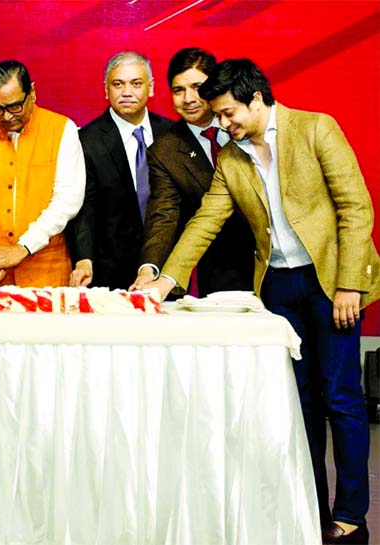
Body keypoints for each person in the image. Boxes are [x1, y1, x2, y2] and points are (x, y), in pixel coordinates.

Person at [145, 59, 377, 545]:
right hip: (276, 288)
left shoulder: (316, 130)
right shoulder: (232, 158)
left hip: (331, 282)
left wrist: (350, 284)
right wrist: (164, 282)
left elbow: (356, 208)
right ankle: (310, 509)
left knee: (341, 397)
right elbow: (204, 222)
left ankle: (352, 514)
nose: (222, 125)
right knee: (300, 403)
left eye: (229, 114)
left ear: (256, 99)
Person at [129, 48, 254, 296]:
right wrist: (148, 268)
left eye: (197, 87)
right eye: (178, 90)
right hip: (221, 273)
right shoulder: (165, 151)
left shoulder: (247, 123)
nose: (189, 98)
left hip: (277, 262)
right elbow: (163, 215)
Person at [0, 60, 84, 288]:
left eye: (15, 106)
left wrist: (24, 247)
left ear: (32, 93)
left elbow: (67, 200)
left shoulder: (63, 129)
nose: (6, 117)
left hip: (45, 269)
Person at [69, 51, 172, 289]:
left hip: (164, 270)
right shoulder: (86, 141)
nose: (127, 92)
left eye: (136, 84)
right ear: (106, 90)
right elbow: (85, 208)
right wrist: (84, 260)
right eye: (118, 84)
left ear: (151, 87)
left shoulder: (171, 134)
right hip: (107, 272)